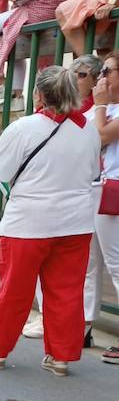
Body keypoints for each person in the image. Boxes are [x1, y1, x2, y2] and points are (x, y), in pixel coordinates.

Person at [0, 66, 100, 376]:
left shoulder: (24, 128)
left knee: (15, 290)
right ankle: (61, 357)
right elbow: (92, 171)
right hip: (75, 223)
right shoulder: (88, 129)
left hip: (29, 224)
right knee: (67, 291)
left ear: (39, 95)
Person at [22, 56, 106, 343]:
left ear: (96, 81)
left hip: (87, 187)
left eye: (81, 75)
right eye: (72, 74)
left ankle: (83, 322)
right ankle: (47, 314)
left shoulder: (96, 109)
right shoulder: (52, 110)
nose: (74, 79)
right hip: (54, 187)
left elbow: (99, 139)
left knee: (86, 262)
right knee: (45, 256)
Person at [91, 54, 119, 365]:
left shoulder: (106, 109)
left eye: (107, 71)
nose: (102, 77)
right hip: (104, 187)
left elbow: (100, 136)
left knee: (117, 265)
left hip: (115, 188)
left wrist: (98, 104)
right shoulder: (107, 108)